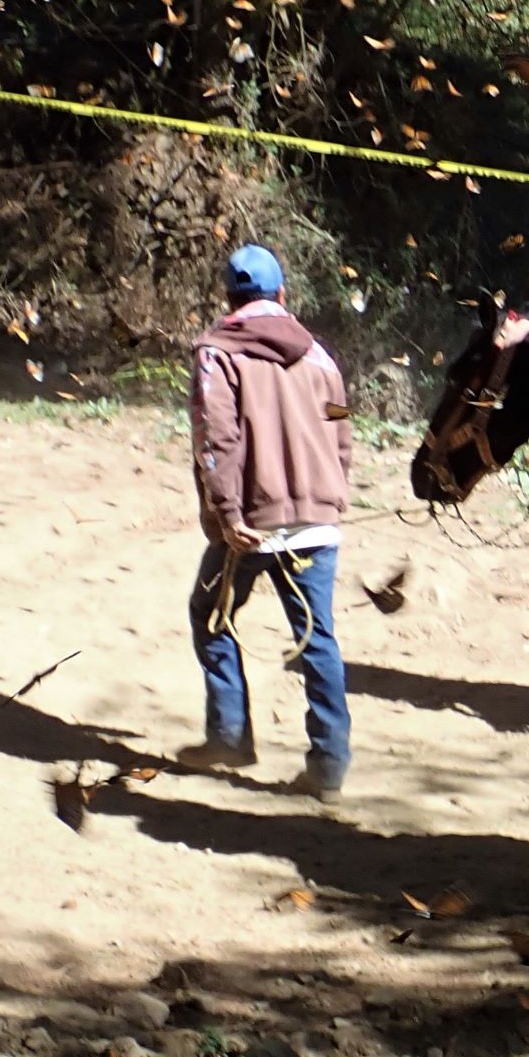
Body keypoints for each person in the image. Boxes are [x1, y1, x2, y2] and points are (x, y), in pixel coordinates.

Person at [180, 244, 355, 802]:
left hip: (251, 525)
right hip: (318, 522)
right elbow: (342, 425)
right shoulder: (322, 356)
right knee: (319, 639)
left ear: (229, 300)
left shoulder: (216, 353)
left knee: (211, 614)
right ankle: (329, 766)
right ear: (283, 297)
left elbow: (217, 438)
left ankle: (229, 736)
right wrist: (332, 492)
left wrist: (228, 514)